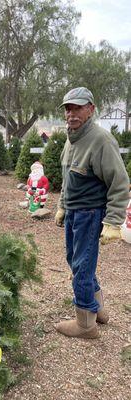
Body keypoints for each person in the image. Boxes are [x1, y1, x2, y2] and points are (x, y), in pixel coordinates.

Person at [55, 87, 129, 339]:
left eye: (77, 107)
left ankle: (86, 323)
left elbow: (119, 183)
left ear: (90, 109)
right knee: (74, 260)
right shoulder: (71, 138)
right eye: (68, 108)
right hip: (74, 212)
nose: (71, 113)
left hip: (90, 213)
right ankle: (98, 310)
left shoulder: (101, 140)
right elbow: (68, 179)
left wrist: (113, 221)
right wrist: (62, 206)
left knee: (82, 266)